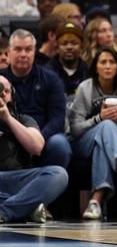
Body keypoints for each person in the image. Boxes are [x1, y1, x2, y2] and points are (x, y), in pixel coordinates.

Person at [69, 48, 117, 220]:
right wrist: (99, 118)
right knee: (105, 125)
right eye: (103, 62)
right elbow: (75, 129)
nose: (108, 66)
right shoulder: (85, 88)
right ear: (96, 67)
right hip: (81, 143)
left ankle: (95, 202)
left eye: (112, 62)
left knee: (102, 143)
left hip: (107, 144)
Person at [0, 74, 69, 224]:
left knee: (59, 174)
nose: (2, 94)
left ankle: (5, 211)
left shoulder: (23, 119)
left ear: (12, 95)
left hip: (19, 181)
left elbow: (37, 147)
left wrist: (8, 119)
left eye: (6, 91)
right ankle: (26, 207)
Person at [1, 30, 70, 170]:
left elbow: (58, 118)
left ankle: (52, 189)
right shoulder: (1, 80)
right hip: (8, 136)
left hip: (44, 136)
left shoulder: (50, 78)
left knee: (60, 144)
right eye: (18, 49)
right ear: (8, 52)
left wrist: (36, 138)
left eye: (28, 49)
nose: (23, 54)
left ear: (35, 52)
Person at [47, 23, 88, 97]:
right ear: (57, 47)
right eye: (64, 43)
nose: (69, 47)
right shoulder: (46, 73)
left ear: (82, 46)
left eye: (74, 43)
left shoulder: (89, 72)